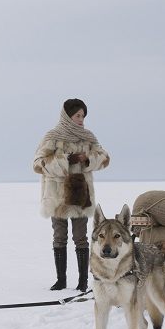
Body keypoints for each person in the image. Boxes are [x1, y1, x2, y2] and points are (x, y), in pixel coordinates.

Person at [33, 99, 110, 292]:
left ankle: (83, 281)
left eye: (83, 116)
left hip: (80, 194)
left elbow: (105, 158)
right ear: (67, 115)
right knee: (59, 237)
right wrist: (66, 160)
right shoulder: (52, 137)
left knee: (80, 237)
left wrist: (88, 159)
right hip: (57, 195)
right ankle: (61, 280)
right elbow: (37, 163)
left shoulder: (88, 137)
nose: (81, 119)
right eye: (77, 116)